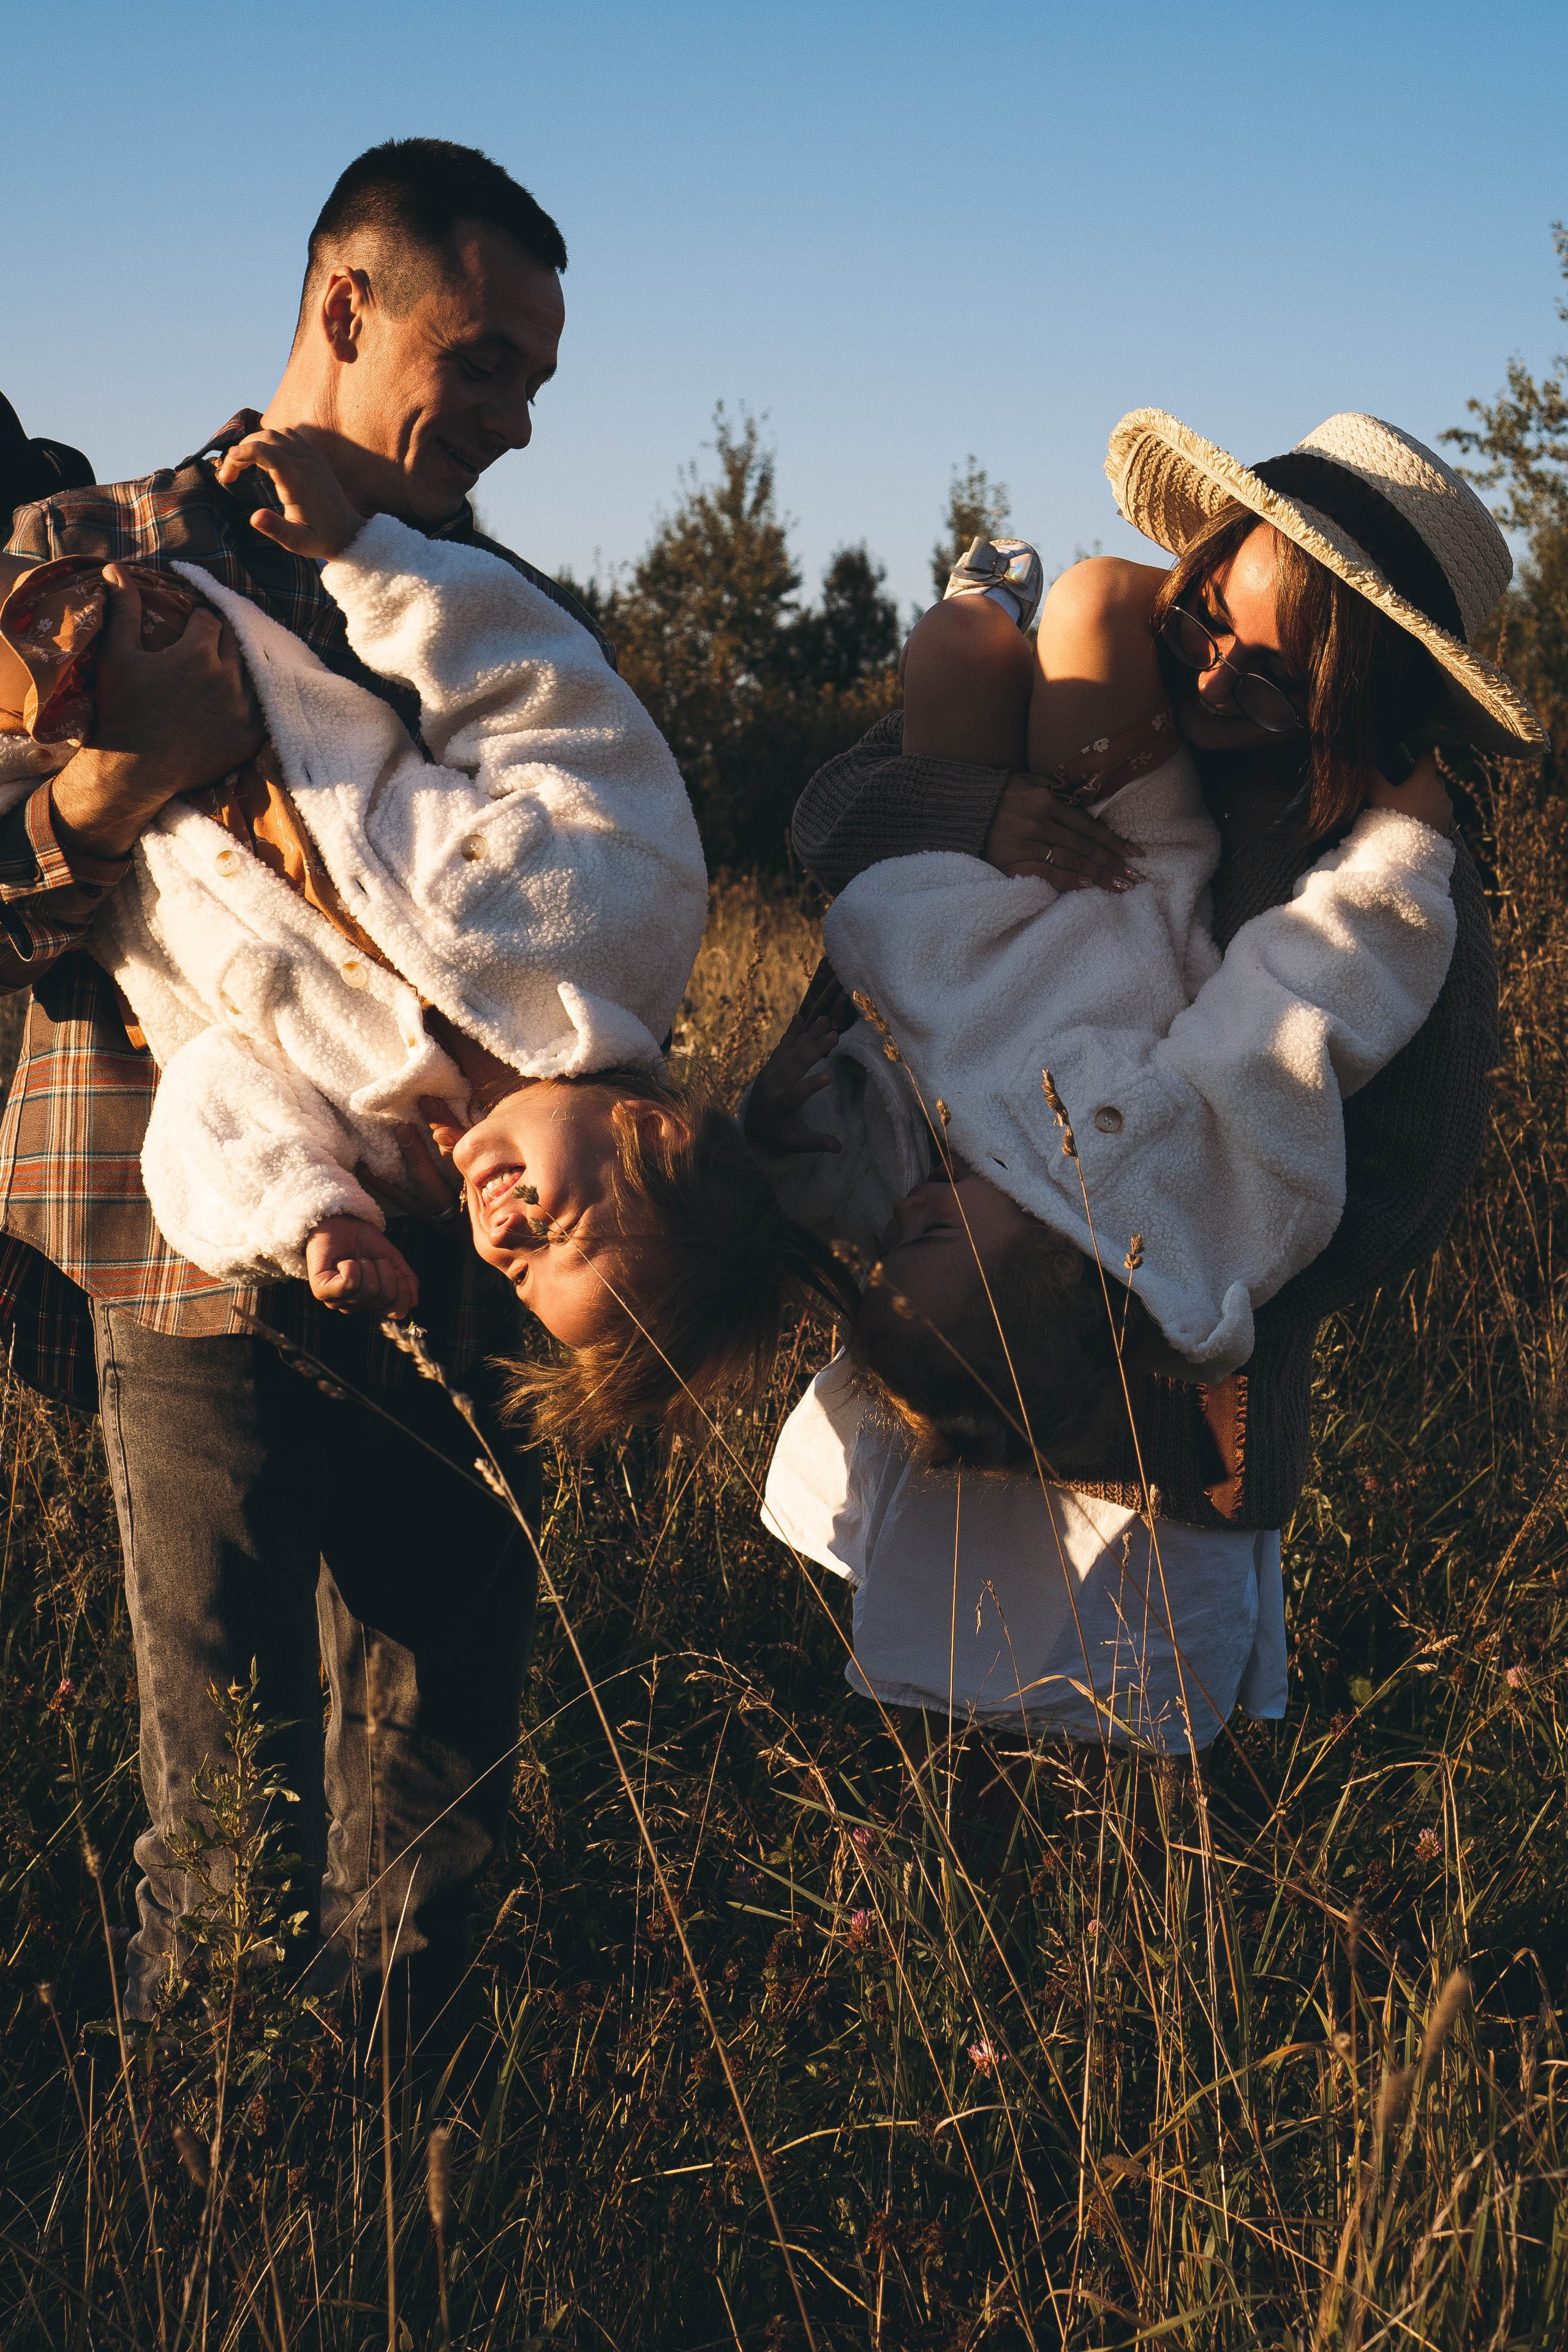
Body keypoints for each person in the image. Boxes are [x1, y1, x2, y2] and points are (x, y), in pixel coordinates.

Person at [0, 137, 720, 2047]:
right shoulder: (87, 555)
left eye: (536, 384)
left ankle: (415, 2196)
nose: (513, 423)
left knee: (437, 1786)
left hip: (484, 1258)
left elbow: (584, 901)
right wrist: (111, 784)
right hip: (176, 1252)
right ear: (347, 305)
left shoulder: (498, 606)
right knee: (217, 1791)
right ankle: (205, 2189)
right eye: (480, 363)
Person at [758, 408, 1540, 1755]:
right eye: (1204, 621)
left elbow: (1402, 1182)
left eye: (1275, 678)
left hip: (1165, 1399)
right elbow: (827, 818)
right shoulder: (1120, 705)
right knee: (922, 1735)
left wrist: (1123, 1271)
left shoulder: (1382, 858)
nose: (1215, 679)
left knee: (1121, 1776)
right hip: (963, 1304)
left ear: (1360, 695)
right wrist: (979, 815)